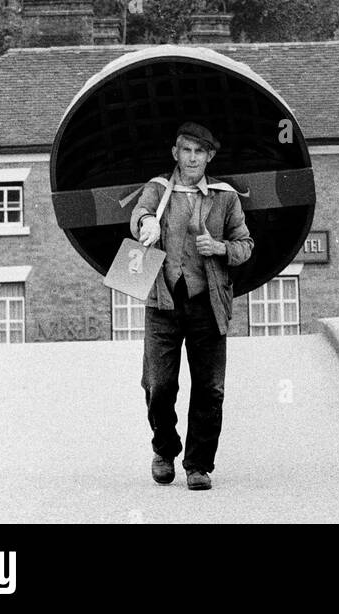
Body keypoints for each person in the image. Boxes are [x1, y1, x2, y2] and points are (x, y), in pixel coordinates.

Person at [129, 121, 253, 491]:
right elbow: (140, 212)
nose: (193, 158)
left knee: (210, 389)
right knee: (159, 385)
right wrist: (147, 223)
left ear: (209, 156)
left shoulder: (225, 197)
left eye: (200, 152)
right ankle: (164, 451)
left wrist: (221, 249)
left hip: (207, 305)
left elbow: (245, 244)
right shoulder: (158, 189)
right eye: (187, 150)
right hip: (163, 303)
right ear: (175, 153)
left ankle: (198, 465)